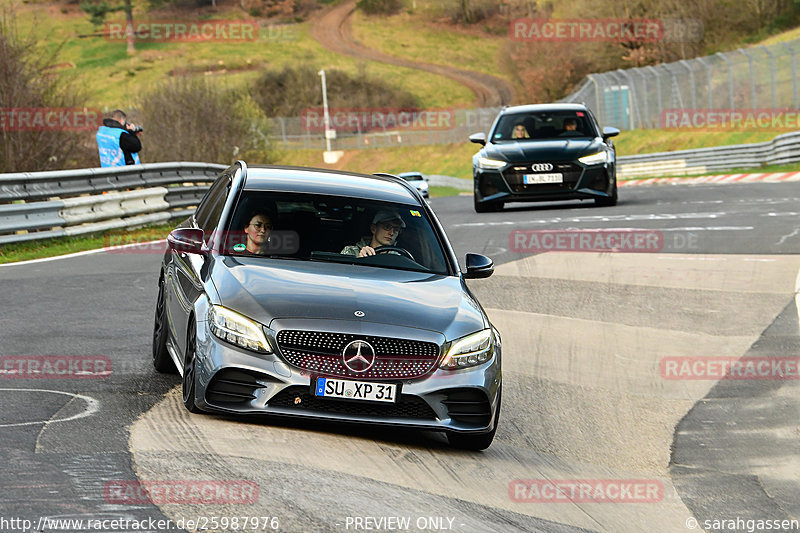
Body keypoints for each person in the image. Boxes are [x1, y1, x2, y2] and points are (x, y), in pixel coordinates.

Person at [341, 210, 406, 257]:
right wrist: (359, 262)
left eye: (396, 229)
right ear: (373, 229)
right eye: (387, 227)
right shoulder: (351, 252)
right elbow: (341, 274)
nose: (391, 233)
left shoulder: (399, 258)